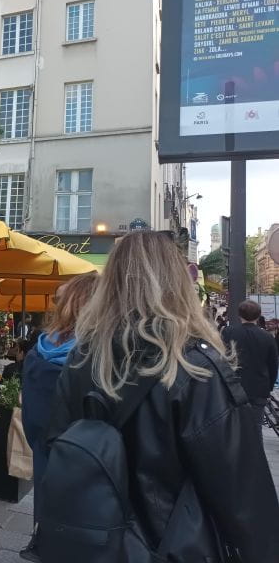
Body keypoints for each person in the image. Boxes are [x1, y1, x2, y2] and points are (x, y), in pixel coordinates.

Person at [44, 231, 279, 562]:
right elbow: (243, 496)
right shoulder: (196, 366)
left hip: (95, 542)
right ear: (177, 282)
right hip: (170, 546)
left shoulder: (81, 357)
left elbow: (56, 441)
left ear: (111, 283)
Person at [18, 272, 99, 562]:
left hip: (45, 453)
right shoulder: (97, 355)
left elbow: (30, 418)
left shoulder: (38, 351)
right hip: (88, 468)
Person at [221, 300, 279, 430]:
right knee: (255, 427)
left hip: (233, 387)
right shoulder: (267, 337)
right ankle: (255, 450)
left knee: (233, 427)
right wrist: (268, 387)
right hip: (259, 388)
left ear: (239, 315)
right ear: (259, 316)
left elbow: (221, 359)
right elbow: (273, 365)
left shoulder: (228, 332)